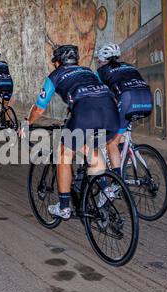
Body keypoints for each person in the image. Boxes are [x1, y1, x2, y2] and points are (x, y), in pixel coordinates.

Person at [20, 45, 120, 220]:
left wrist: (26, 123)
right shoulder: (88, 71)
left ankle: (64, 207)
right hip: (111, 113)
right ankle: (106, 188)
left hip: (86, 115)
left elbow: (39, 109)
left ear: (58, 62)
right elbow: (94, 94)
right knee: (89, 148)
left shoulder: (55, 76)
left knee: (63, 155)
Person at [95, 43, 153, 177]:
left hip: (128, 100)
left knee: (111, 142)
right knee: (122, 127)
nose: (98, 61)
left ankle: (117, 180)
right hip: (148, 99)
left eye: (99, 59)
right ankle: (126, 152)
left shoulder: (101, 72)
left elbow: (100, 95)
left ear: (104, 59)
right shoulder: (130, 66)